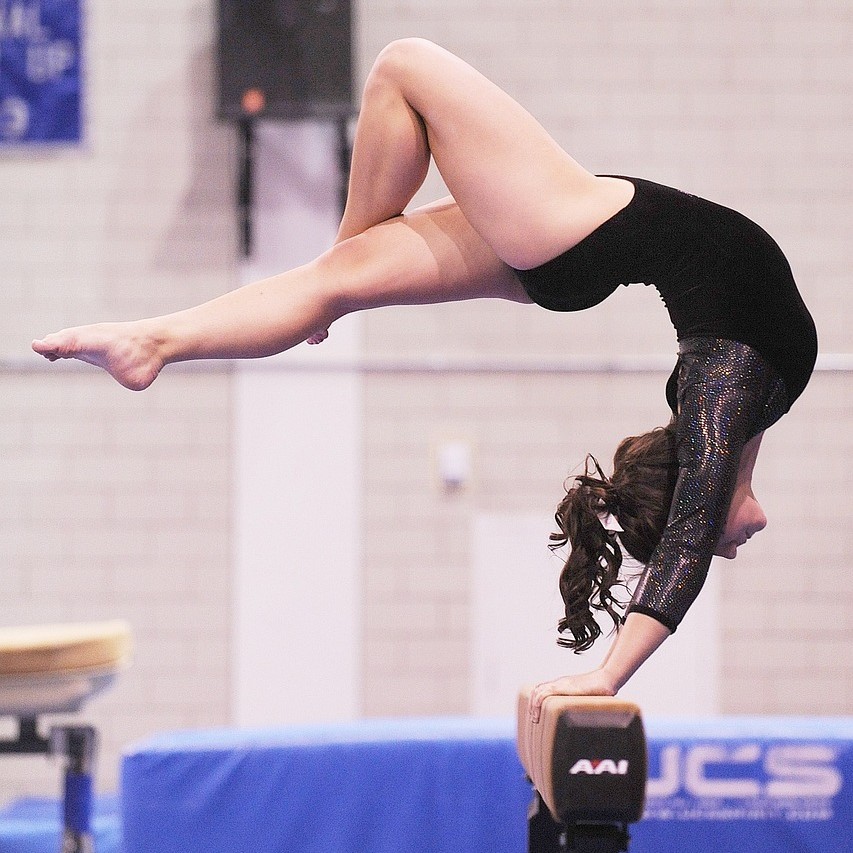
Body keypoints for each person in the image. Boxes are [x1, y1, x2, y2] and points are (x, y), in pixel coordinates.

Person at [32, 39, 817, 721]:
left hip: (573, 227)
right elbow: (690, 521)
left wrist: (607, 674)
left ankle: (283, 289)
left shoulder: (725, 396)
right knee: (336, 277)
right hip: (572, 243)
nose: (737, 542)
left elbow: (682, 540)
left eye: (715, 539)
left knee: (402, 66)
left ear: (696, 496)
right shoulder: (735, 406)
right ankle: (155, 340)